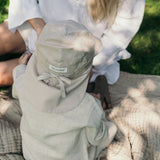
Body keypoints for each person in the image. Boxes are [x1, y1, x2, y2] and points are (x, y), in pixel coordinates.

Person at [12, 20, 117, 160]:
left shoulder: (23, 83)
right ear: (87, 73)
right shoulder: (89, 107)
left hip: (32, 155)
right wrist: (111, 127)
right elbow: (98, 139)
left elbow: (17, 82)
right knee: (104, 131)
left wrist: (21, 67)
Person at [0, 0, 145, 87]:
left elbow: (118, 37)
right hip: (40, 26)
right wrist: (40, 27)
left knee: (3, 74)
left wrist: (80, 64)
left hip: (75, 57)